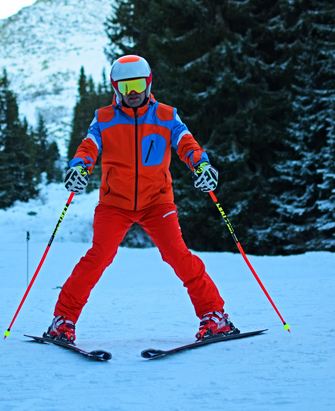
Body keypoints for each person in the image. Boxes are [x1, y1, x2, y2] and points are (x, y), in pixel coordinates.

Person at [45, 54, 234, 344]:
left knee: (178, 254)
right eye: (124, 87)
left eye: (136, 85)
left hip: (157, 202)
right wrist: (79, 167)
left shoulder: (166, 115)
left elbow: (186, 142)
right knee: (98, 257)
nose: (131, 93)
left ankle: (214, 316)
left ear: (147, 83)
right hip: (114, 203)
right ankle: (63, 321)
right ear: (114, 88)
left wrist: (201, 164)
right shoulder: (104, 118)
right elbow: (88, 146)